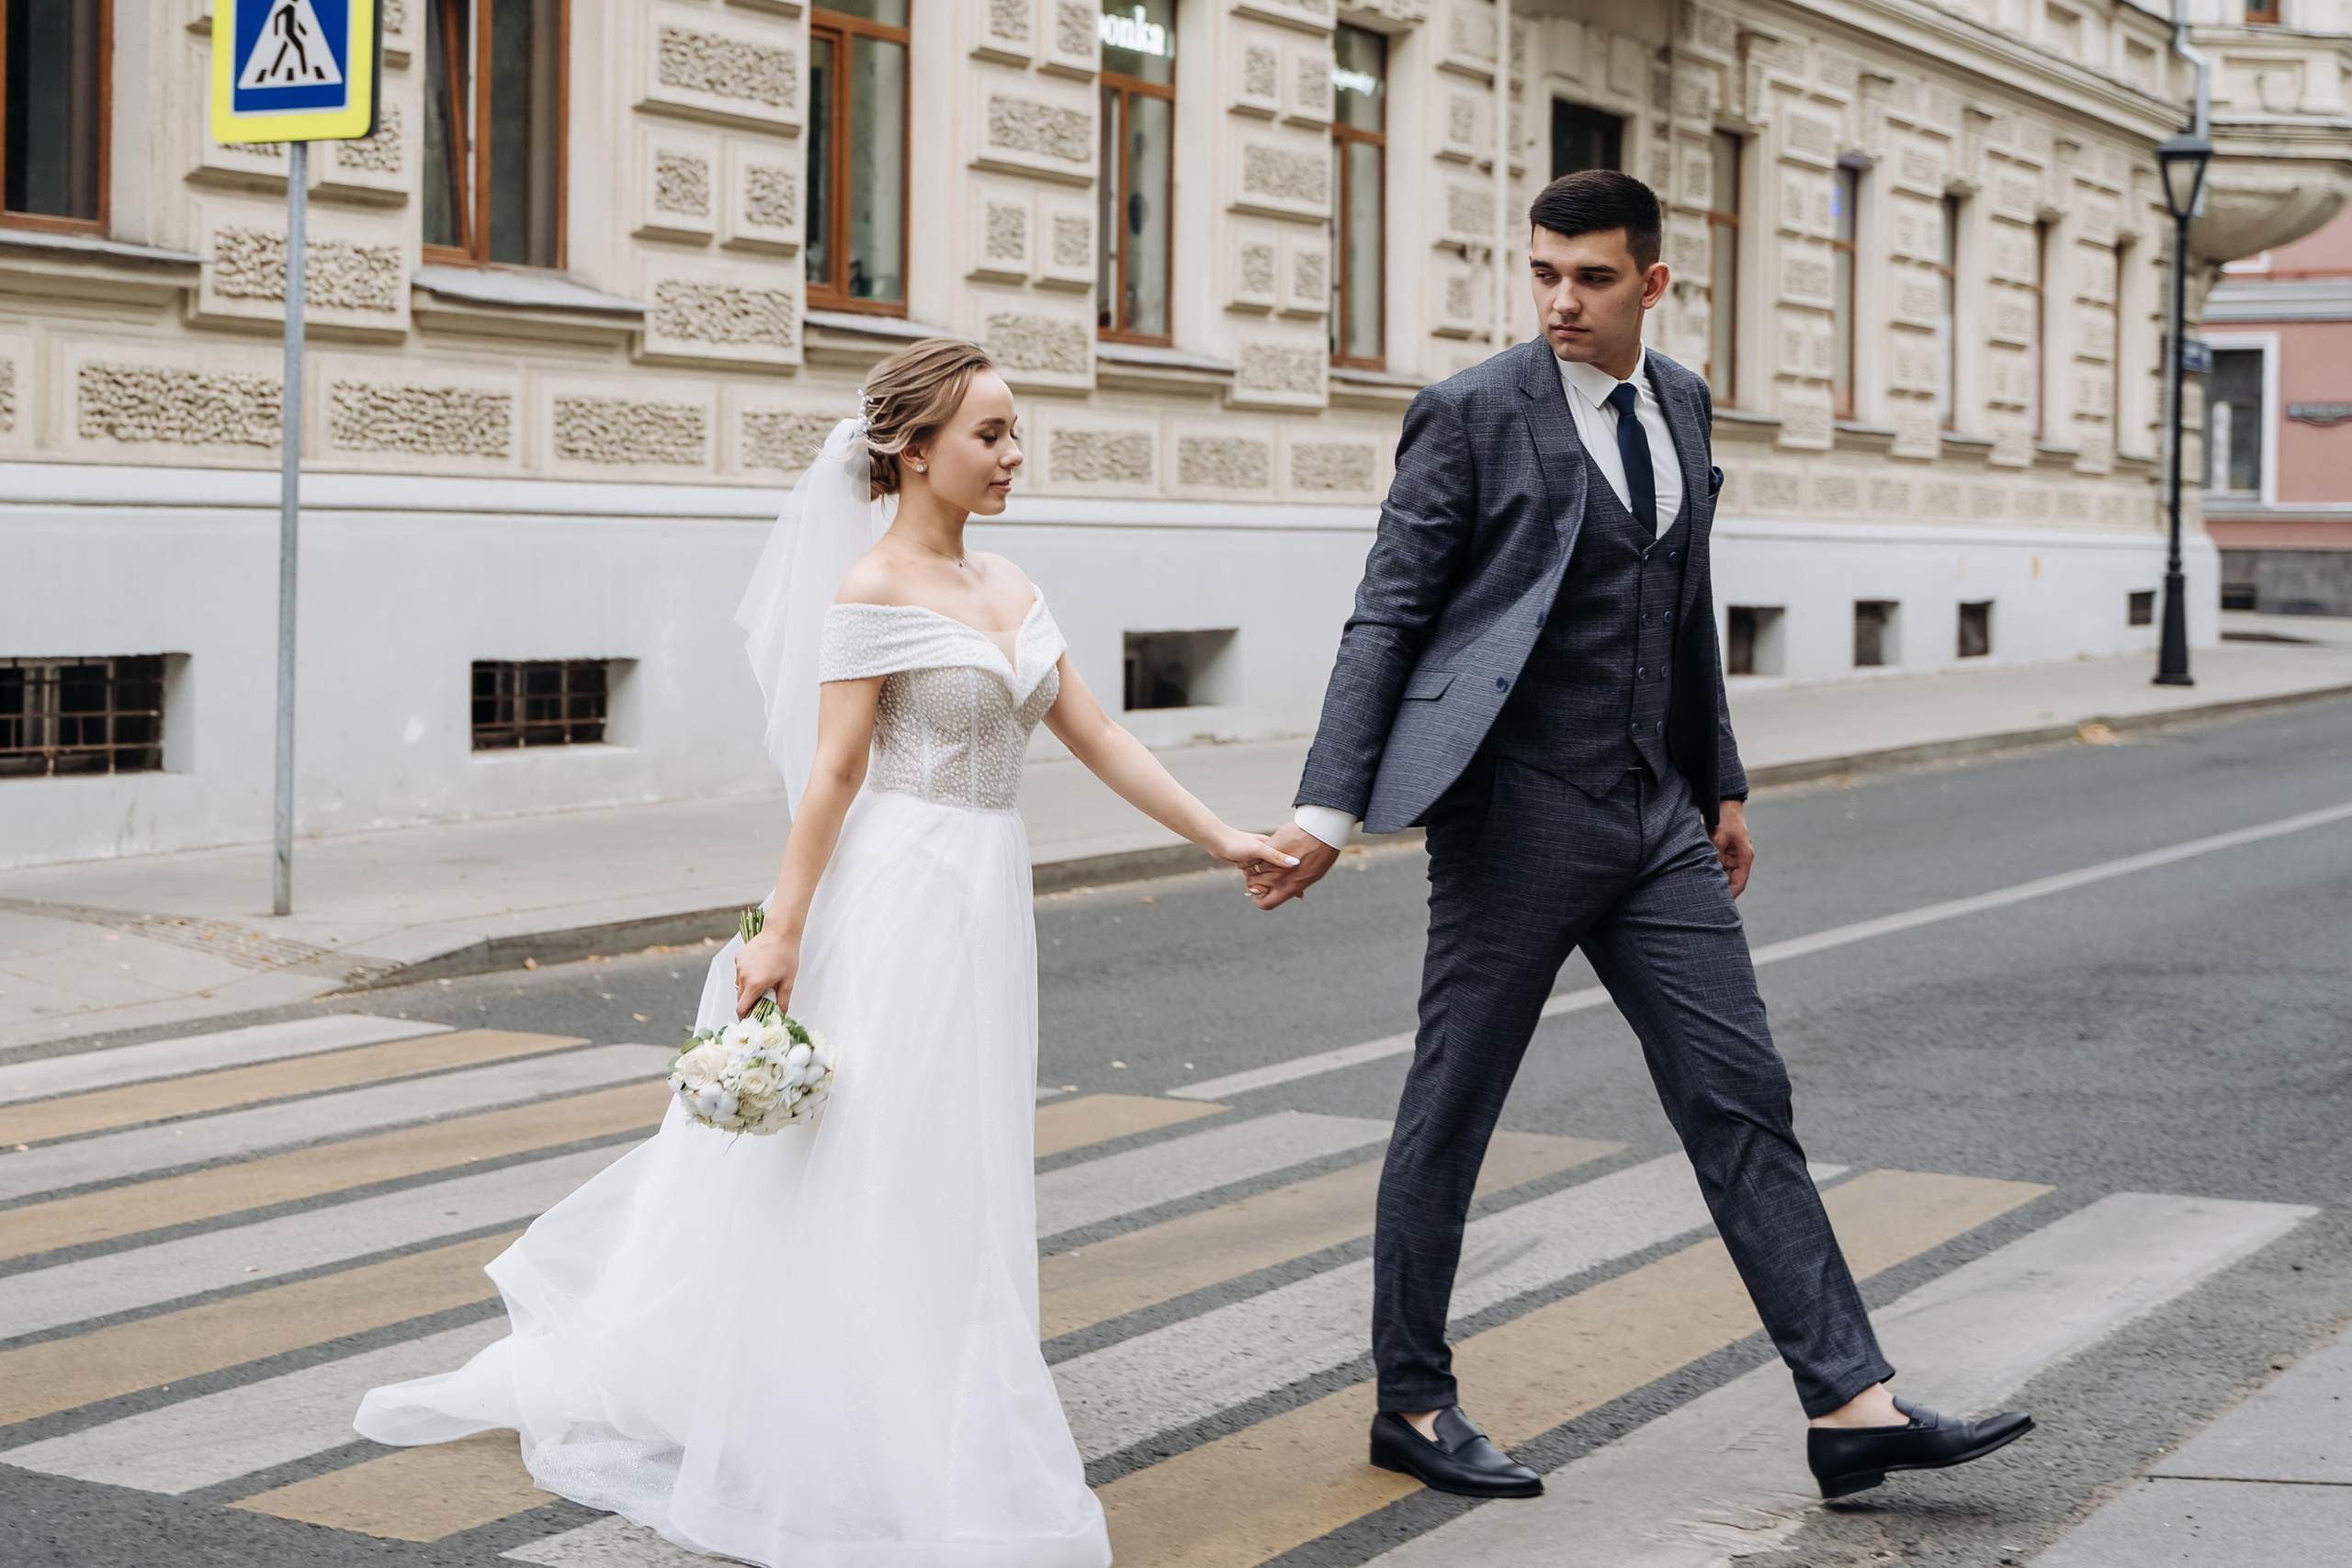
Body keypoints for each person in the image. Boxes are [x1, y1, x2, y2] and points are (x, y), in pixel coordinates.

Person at [356, 338, 1295, 1564]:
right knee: (880, 1148)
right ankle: (848, 1412)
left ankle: (924, 1395)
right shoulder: (872, 592)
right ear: (914, 452)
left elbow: (1099, 731)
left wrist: (1223, 835)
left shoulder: (1011, 585)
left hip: (984, 888)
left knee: (957, 1153)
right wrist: (784, 930)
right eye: (990, 435)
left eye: (1017, 434)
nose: (1015, 457)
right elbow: (834, 774)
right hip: (897, 891)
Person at [1242, 170, 2032, 1502]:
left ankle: (1850, 1403)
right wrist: (1326, 810)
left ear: (1652, 283)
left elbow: (1684, 602)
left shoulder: (1677, 401)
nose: (1561, 298)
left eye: (1593, 276)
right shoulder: (1470, 415)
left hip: (1655, 817)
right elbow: (1386, 616)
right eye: (1545, 271)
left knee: (1743, 1098)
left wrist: (1719, 781)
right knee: (1454, 1112)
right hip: (1517, 817)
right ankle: (1414, 1403)